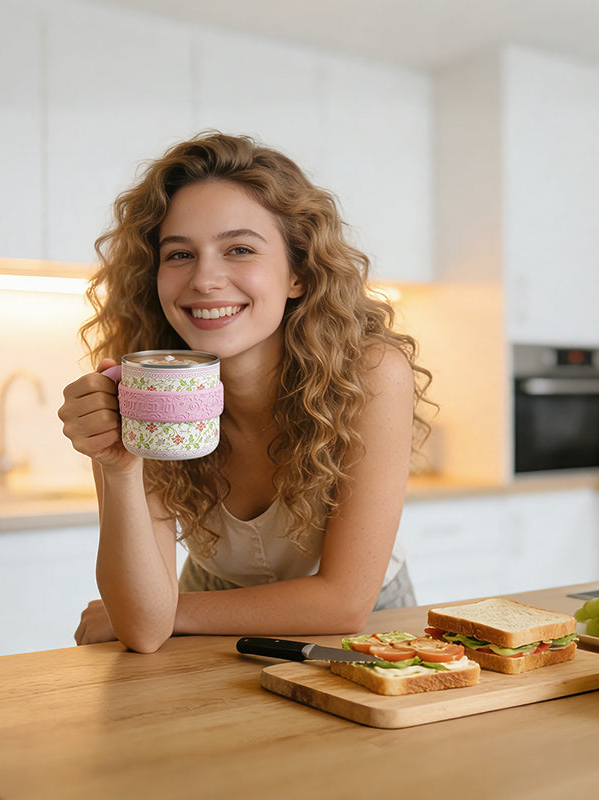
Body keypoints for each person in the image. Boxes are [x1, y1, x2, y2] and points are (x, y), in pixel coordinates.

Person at [59, 132, 433, 653]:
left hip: (356, 631)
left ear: (298, 273)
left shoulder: (370, 373)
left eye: (239, 249)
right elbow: (144, 631)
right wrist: (118, 468)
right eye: (180, 254)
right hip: (200, 625)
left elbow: (344, 602)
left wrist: (172, 611)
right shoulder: (145, 387)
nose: (205, 279)